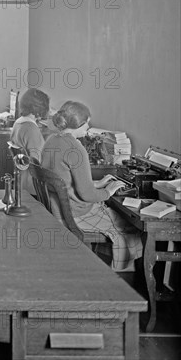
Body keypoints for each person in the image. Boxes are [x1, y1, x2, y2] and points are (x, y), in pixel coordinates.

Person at [41, 101, 142, 271]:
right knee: (130, 227)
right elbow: (87, 195)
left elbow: (66, 181)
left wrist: (99, 183)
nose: (88, 126)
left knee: (117, 219)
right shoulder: (76, 148)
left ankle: (101, 265)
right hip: (77, 214)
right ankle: (121, 277)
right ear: (77, 124)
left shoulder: (51, 141)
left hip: (58, 209)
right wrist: (108, 191)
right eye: (86, 122)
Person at [10, 88, 50, 194]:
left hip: (21, 181)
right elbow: (38, 162)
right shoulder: (31, 129)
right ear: (40, 108)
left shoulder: (18, 123)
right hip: (33, 186)